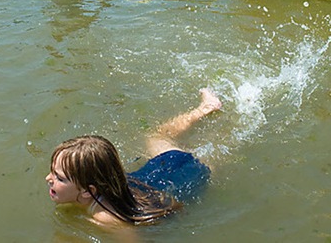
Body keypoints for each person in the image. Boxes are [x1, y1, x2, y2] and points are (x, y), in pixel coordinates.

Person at [46, 88, 223, 226]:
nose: (49, 179)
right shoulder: (103, 183)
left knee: (211, 160)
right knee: (157, 137)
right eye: (52, 172)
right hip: (160, 165)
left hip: (186, 176)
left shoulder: (105, 218)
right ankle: (204, 109)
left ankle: (210, 115)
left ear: (88, 191)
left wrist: (176, 213)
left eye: (59, 178)